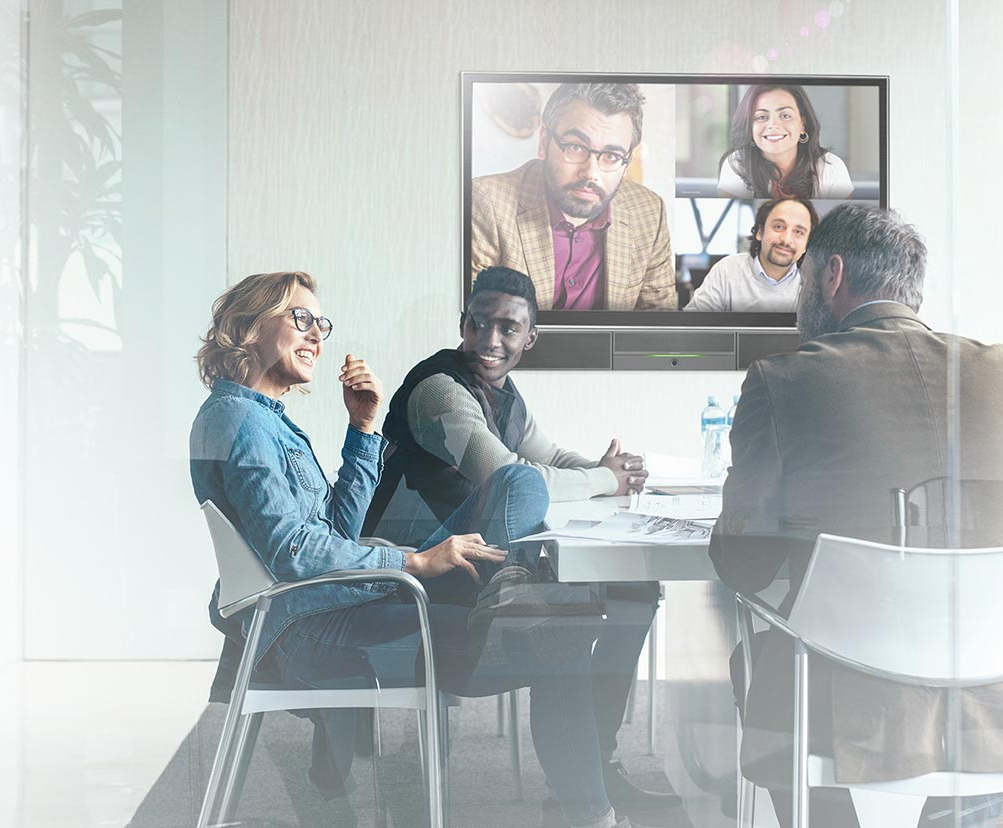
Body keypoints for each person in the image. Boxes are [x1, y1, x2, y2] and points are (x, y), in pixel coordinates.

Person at [189, 271, 659, 828]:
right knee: (556, 638)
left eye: (321, 322)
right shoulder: (242, 422)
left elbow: (335, 531)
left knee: (520, 490)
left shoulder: (257, 419)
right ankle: (592, 811)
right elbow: (295, 551)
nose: (317, 334)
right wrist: (411, 561)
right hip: (325, 628)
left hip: (337, 605)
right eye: (301, 318)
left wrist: (362, 427)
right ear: (247, 327)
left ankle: (510, 604)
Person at [711, 206, 1003, 827]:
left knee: (754, 657)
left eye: (803, 277)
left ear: (831, 274)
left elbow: (743, 563)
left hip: (851, 693)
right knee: (977, 666)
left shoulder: (784, 380)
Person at [365, 266, 676, 820]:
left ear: (530, 337)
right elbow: (507, 474)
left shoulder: (507, 396)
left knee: (631, 588)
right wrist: (605, 480)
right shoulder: (440, 389)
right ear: (462, 324)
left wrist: (611, 469)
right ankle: (586, 800)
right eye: (479, 324)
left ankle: (594, 777)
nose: (490, 340)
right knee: (518, 490)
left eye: (508, 328)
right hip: (413, 574)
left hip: (474, 567)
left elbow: (552, 456)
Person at [470, 83, 676, 311]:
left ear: (626, 162)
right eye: (576, 147)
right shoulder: (486, 202)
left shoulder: (649, 212)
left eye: (611, 155)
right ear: (543, 142)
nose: (590, 173)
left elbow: (657, 326)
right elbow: (476, 327)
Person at [716, 84, 853, 200]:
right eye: (762, 117)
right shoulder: (737, 164)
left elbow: (843, 228)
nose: (773, 125)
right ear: (749, 127)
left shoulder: (831, 167)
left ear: (802, 124)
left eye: (785, 115)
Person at [684, 197, 819, 312]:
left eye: (799, 232)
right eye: (778, 227)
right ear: (760, 232)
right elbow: (694, 324)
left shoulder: (816, 282)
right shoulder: (727, 270)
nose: (786, 240)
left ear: (806, 245)